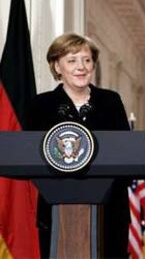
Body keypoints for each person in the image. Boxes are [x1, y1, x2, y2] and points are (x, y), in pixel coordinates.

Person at [25, 33, 131, 258]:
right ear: (57, 66)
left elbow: (127, 152)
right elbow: (29, 156)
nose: (81, 67)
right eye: (72, 60)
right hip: (56, 214)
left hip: (109, 213)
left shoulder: (110, 101)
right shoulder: (41, 105)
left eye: (87, 60)